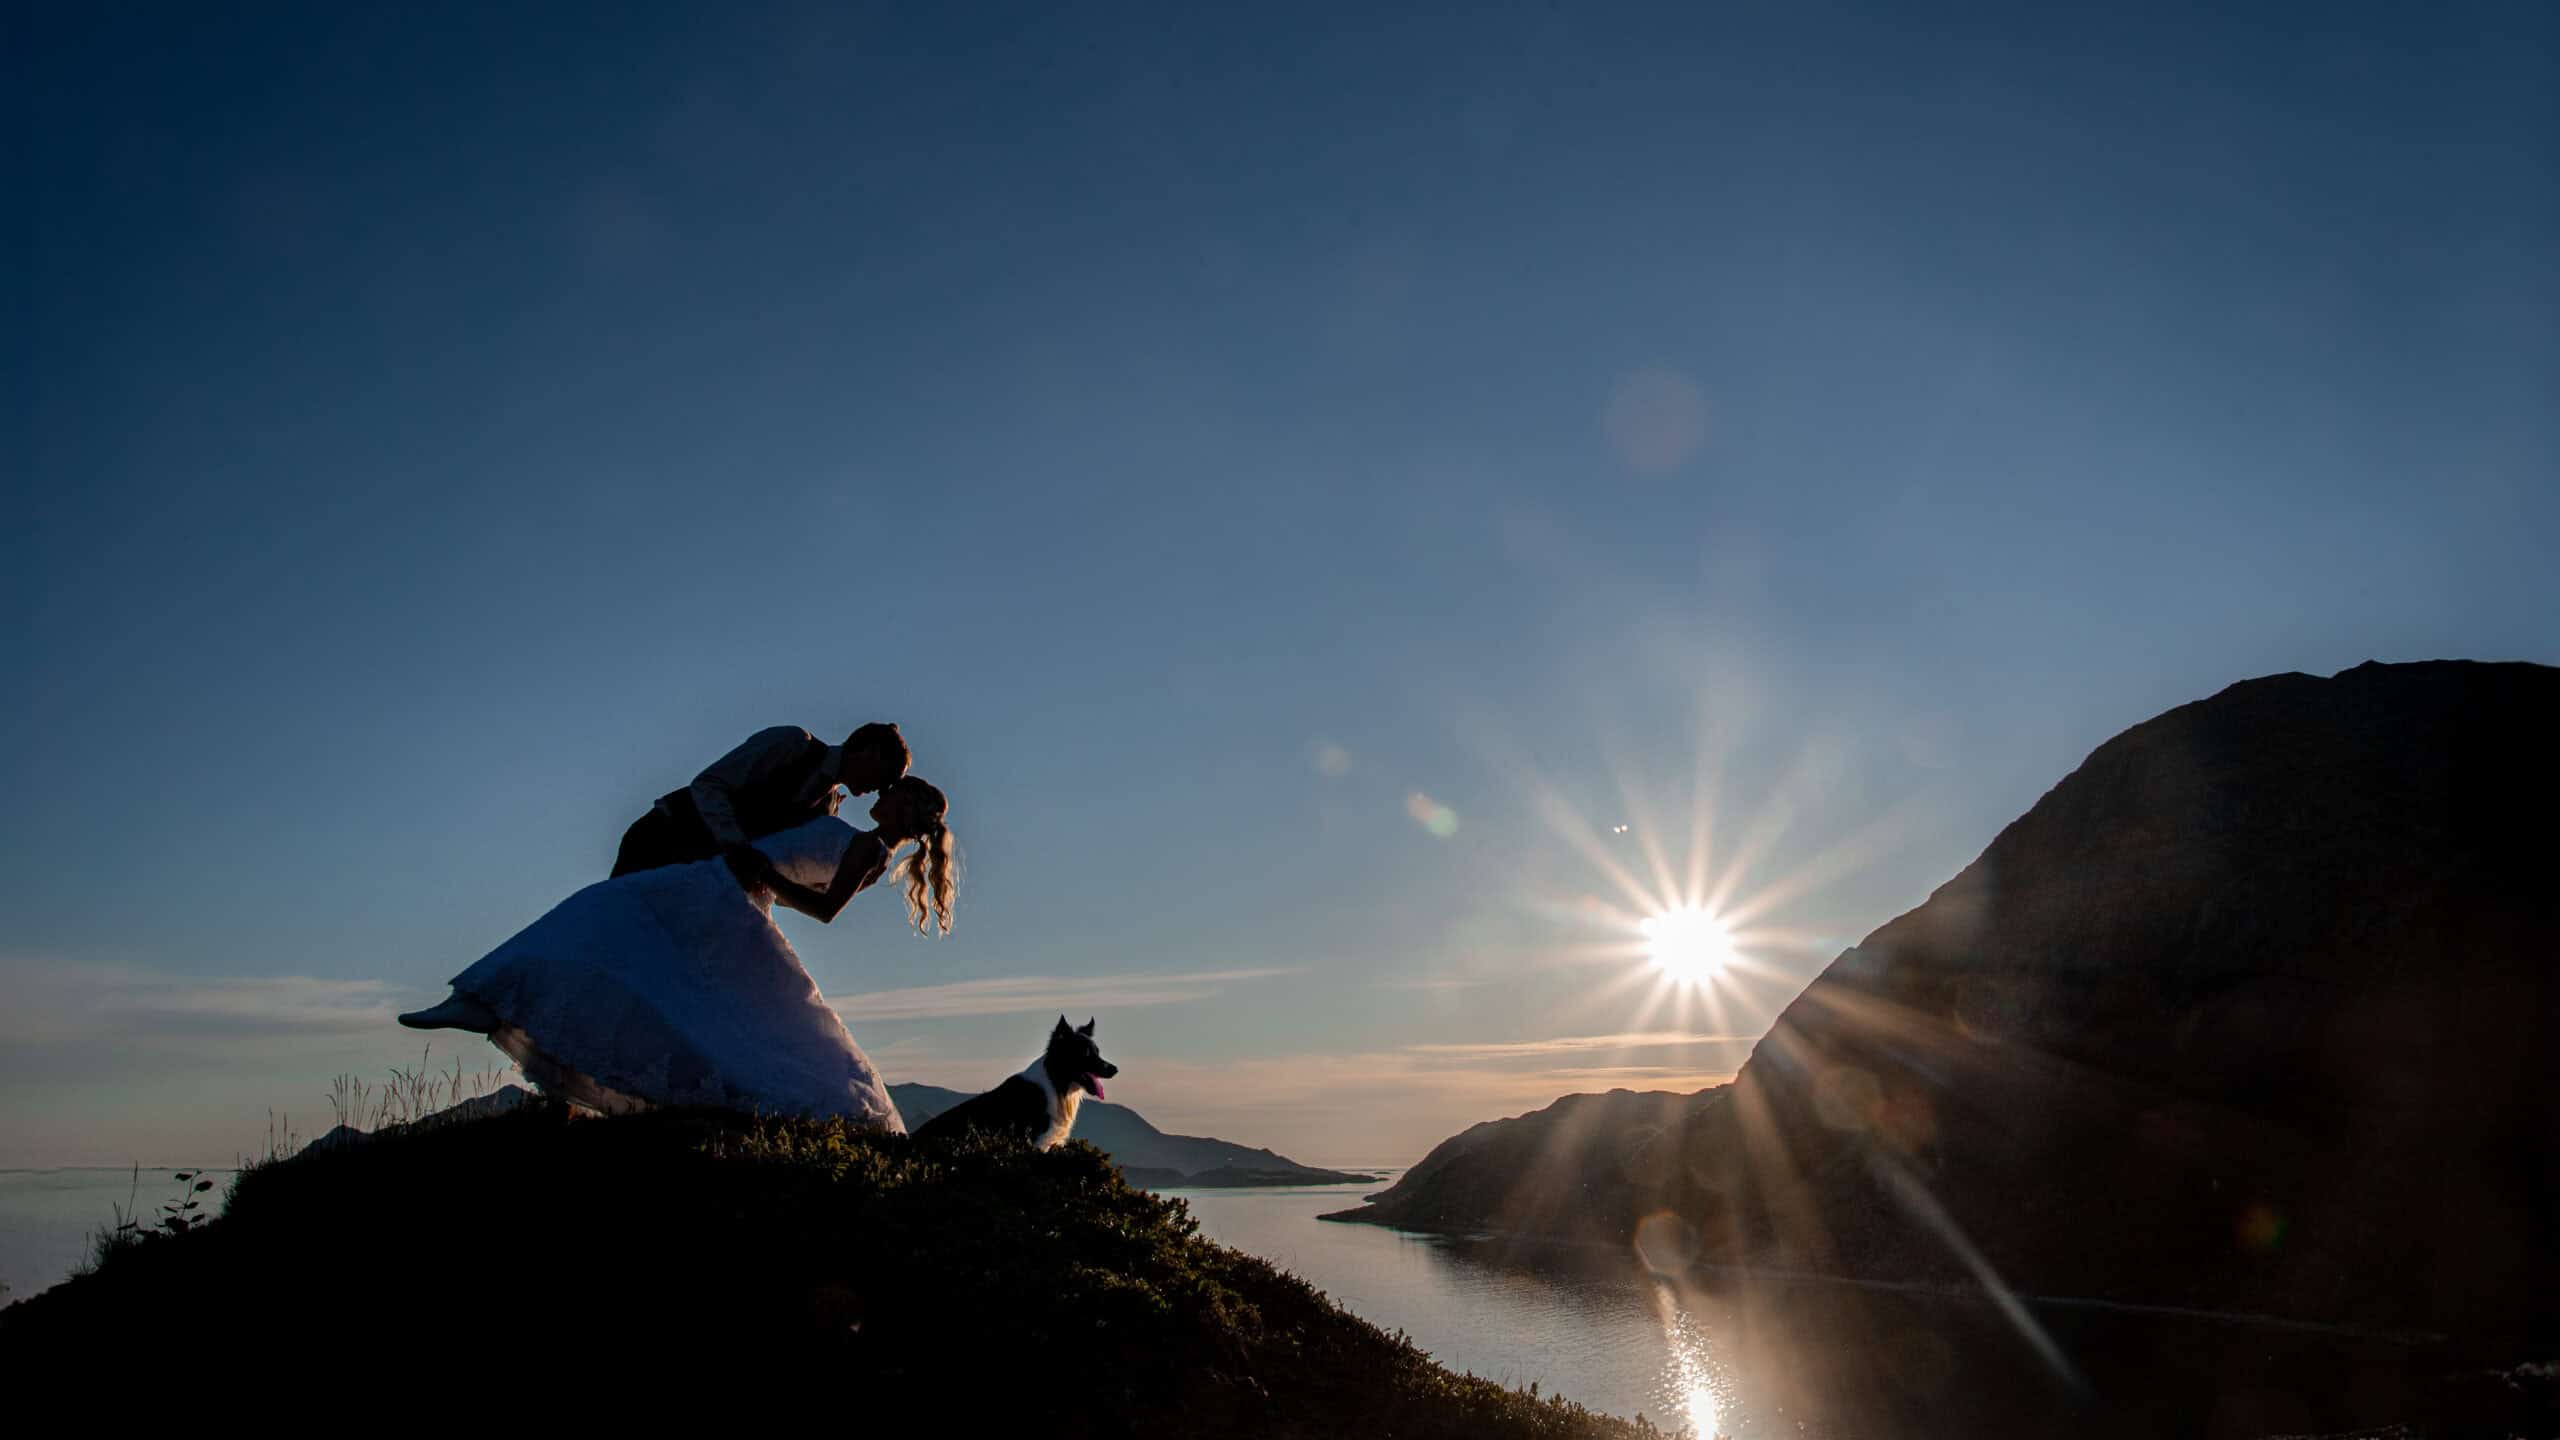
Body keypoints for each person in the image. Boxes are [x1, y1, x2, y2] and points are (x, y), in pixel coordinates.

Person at [397, 777, 959, 1126]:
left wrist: (761, 874)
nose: (889, 788)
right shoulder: (849, 832)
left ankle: (490, 997)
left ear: (908, 813)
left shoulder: (868, 848)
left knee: (609, 913)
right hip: (719, 886)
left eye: (902, 791)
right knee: (622, 931)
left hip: (723, 889)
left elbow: (823, 909)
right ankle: (485, 997)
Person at [610, 721, 911, 881]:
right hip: (662, 838)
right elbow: (709, 784)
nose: (882, 789)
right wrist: (735, 845)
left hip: (700, 874)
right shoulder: (793, 744)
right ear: (869, 752)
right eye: (887, 776)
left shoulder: (827, 807)